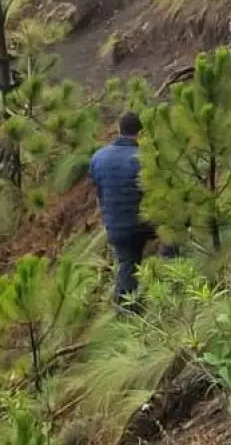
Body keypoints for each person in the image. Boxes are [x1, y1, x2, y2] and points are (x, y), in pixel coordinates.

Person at [88, 112, 169, 311]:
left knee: (127, 264)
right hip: (143, 222)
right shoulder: (143, 158)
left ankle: (126, 313)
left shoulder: (98, 157)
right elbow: (156, 192)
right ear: (141, 133)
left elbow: (98, 191)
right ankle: (170, 276)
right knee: (174, 232)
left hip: (115, 225)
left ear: (118, 129)